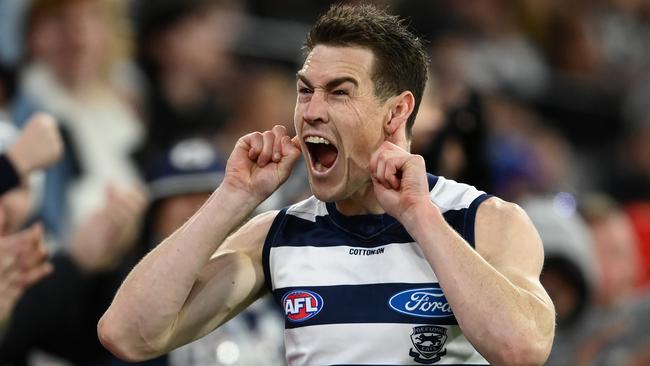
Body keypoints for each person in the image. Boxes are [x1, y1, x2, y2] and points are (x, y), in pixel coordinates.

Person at [99, 4, 555, 365]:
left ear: (396, 112)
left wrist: (420, 216)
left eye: (339, 92)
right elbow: (128, 334)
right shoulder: (279, 235)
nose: (311, 111)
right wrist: (233, 197)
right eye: (305, 90)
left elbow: (521, 349)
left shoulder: (485, 221)